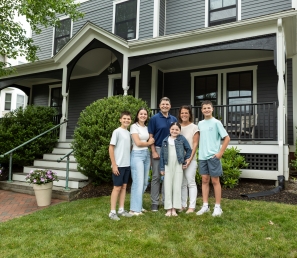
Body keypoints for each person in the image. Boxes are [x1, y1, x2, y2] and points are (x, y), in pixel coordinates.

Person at [196, 100, 230, 217]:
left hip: (213, 156)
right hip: (202, 156)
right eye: (204, 108)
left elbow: (227, 138)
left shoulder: (216, 123)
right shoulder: (200, 124)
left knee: (215, 181)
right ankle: (205, 205)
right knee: (204, 180)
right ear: (201, 110)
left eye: (208, 108)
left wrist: (220, 153)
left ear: (212, 109)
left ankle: (217, 207)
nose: (206, 110)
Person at [148, 97, 177, 212]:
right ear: (159, 106)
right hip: (158, 149)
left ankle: (166, 201)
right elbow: (151, 136)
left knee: (168, 177)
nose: (165, 106)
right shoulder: (154, 119)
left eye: (167, 104)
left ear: (170, 106)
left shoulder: (173, 119)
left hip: (170, 149)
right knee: (156, 176)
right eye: (163, 104)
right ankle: (154, 202)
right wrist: (154, 151)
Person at [160, 122, 192, 216]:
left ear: (179, 131)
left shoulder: (181, 139)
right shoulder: (165, 140)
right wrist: (162, 168)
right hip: (167, 165)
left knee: (177, 186)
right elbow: (162, 155)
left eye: (177, 129)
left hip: (178, 164)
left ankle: (174, 208)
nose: (174, 131)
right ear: (169, 130)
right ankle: (168, 208)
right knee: (168, 186)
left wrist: (185, 161)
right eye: (172, 129)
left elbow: (189, 149)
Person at [129, 108, 155, 216]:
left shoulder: (147, 127)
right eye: (141, 114)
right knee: (137, 182)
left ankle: (138, 205)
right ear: (137, 115)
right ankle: (134, 210)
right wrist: (149, 143)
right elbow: (138, 143)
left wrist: (149, 144)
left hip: (146, 155)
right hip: (137, 155)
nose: (143, 115)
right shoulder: (134, 127)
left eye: (145, 114)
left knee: (144, 182)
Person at [108, 111, 133, 220]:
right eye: (124, 118)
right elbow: (111, 148)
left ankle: (121, 210)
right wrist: (114, 164)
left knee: (124, 187)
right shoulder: (116, 132)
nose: (126, 120)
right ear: (120, 120)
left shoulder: (129, 133)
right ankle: (112, 212)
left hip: (127, 164)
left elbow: (129, 148)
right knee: (117, 187)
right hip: (118, 165)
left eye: (128, 119)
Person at [179, 105, 199, 214]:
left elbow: (195, 144)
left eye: (186, 113)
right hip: (179, 159)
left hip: (190, 158)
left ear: (190, 114)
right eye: (182, 113)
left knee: (191, 182)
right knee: (182, 183)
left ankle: (191, 206)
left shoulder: (194, 127)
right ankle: (183, 205)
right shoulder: (178, 127)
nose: (184, 115)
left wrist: (190, 158)